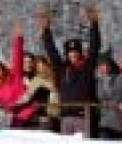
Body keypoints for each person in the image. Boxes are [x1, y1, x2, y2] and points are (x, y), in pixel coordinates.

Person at [41, 7, 101, 135]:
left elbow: (94, 48)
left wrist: (94, 25)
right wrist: (46, 31)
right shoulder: (62, 69)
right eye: (70, 53)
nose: (73, 55)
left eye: (75, 52)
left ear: (80, 53)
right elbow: (51, 52)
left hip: (83, 116)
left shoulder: (87, 67)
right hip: (66, 116)